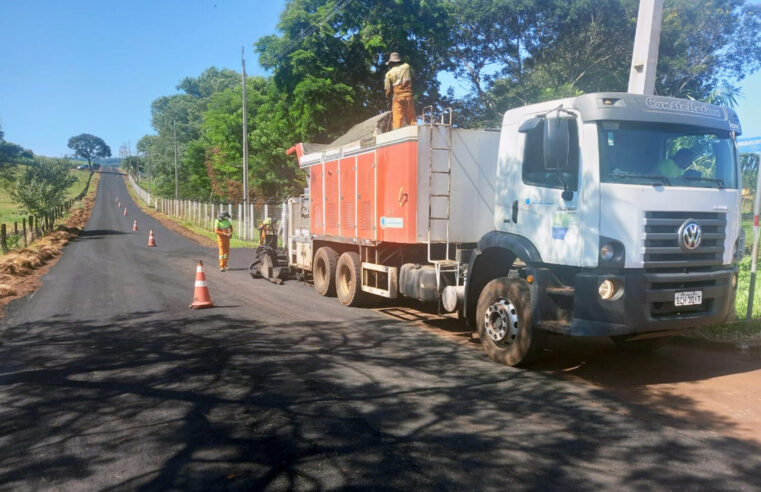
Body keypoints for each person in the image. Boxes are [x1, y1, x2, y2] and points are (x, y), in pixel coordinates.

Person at [384, 52, 416, 129]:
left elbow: (388, 91)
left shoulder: (389, 73)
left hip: (397, 99)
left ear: (391, 63)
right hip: (408, 96)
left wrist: (389, 101)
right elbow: (414, 77)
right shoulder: (407, 67)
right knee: (412, 121)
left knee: (397, 123)